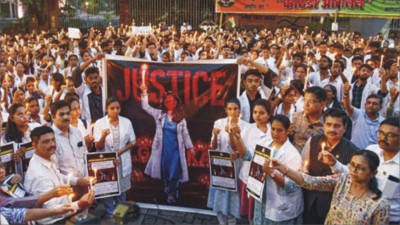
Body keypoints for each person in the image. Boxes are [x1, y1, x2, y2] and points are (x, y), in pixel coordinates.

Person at [269, 149, 390, 225]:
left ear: (373, 173)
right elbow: (310, 182)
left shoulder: (379, 205)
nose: (354, 170)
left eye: (361, 168)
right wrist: (284, 169)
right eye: (352, 165)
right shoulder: (343, 180)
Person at [325, 117, 400, 224]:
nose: (383, 138)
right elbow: (353, 174)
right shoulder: (371, 150)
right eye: (381, 133)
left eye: (390, 135)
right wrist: (334, 163)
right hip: (360, 213)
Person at [24, 126, 95, 224]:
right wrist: (79, 204)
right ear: (35, 145)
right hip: (54, 221)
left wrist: (79, 181)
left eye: (53, 140)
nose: (52, 144)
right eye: (46, 142)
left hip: (65, 212)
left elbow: (57, 177)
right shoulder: (38, 175)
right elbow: (51, 211)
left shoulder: (46, 158)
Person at [301, 107, 359, 224]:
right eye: (328, 124)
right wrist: (303, 170)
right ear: (323, 125)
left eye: (337, 126)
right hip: (309, 202)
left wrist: (334, 164)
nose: (332, 129)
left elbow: (352, 180)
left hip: (333, 207)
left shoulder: (353, 151)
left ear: (345, 128)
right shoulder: (313, 141)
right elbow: (303, 164)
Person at [140, 85, 193, 204]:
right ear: (164, 102)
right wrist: (144, 93)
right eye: (167, 100)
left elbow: (185, 134)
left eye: (172, 100)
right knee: (165, 171)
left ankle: (171, 193)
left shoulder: (180, 117)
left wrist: (190, 147)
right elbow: (145, 107)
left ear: (176, 102)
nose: (170, 102)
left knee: (174, 171)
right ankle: (169, 187)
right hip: (162, 149)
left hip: (176, 150)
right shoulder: (159, 114)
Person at [254, 115, 303, 225]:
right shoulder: (265, 144)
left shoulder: (293, 154)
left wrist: (271, 173)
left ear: (287, 131)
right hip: (262, 200)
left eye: (280, 130)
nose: (275, 133)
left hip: (280, 206)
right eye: (273, 129)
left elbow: (292, 186)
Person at [207, 97, 248, 225]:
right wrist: (214, 136)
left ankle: (232, 221)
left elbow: (242, 149)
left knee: (232, 195)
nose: (232, 112)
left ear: (239, 110)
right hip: (221, 164)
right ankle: (221, 221)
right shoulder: (218, 123)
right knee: (220, 192)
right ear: (225, 110)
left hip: (236, 165)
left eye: (235, 109)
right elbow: (213, 146)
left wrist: (237, 153)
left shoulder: (245, 126)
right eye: (229, 109)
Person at [93, 96, 136, 219]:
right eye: (112, 108)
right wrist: (102, 136)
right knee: (108, 192)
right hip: (106, 163)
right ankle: (110, 215)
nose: (115, 110)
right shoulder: (100, 123)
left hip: (122, 161)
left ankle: (119, 215)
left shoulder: (126, 122)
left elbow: (132, 142)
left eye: (117, 108)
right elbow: (98, 146)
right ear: (106, 109)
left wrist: (119, 152)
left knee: (122, 192)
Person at [231, 99, 273, 223]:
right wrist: (238, 149)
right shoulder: (248, 129)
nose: (257, 116)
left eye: (262, 113)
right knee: (250, 211)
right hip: (248, 174)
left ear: (269, 114)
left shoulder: (273, 130)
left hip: (267, 176)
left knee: (264, 211)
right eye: (255, 112)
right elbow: (242, 150)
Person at [50, 101, 88, 188]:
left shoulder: (77, 132)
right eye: (61, 114)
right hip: (65, 187)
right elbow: (54, 172)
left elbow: (86, 156)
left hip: (85, 183)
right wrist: (76, 181)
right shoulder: (50, 138)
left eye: (68, 113)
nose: (66, 117)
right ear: (53, 117)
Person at [344, 82, 385, 149]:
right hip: (355, 152)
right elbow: (347, 106)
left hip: (374, 155)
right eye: (369, 103)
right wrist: (346, 94)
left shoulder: (383, 122)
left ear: (380, 107)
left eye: (375, 104)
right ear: (365, 105)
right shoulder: (358, 115)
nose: (371, 105)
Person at [290, 86, 326, 152]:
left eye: (311, 101)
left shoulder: (327, 122)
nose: (306, 104)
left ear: (322, 104)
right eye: (304, 100)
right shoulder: (295, 117)